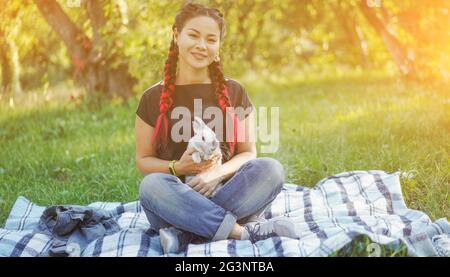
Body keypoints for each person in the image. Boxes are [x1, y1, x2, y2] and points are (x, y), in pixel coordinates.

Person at [135, 2, 297, 254]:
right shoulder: (151, 97)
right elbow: (144, 161)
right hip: (177, 199)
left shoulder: (235, 91)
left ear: (218, 47)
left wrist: (217, 174)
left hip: (229, 192)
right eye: (193, 35)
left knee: (271, 169)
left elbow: (248, 152)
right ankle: (241, 232)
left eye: (211, 39)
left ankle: (185, 234)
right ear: (176, 35)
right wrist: (179, 167)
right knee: (151, 186)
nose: (202, 45)